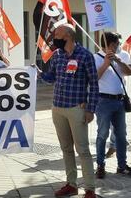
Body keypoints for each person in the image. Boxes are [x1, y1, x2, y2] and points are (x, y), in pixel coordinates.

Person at [38, 24, 98, 198]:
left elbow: (93, 84)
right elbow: (52, 78)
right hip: (58, 108)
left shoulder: (85, 56)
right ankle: (71, 184)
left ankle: (90, 189)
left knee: (83, 150)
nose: (53, 37)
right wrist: (39, 72)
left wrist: (90, 109)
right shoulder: (57, 55)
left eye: (57, 34)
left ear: (68, 37)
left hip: (76, 109)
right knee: (66, 148)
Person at [94, 32, 131, 178]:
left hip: (120, 101)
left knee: (121, 135)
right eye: (115, 45)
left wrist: (119, 61)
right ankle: (100, 165)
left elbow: (129, 72)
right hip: (103, 101)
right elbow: (94, 77)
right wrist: (105, 64)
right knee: (102, 134)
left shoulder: (120, 55)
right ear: (107, 44)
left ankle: (122, 166)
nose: (117, 47)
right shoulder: (95, 57)